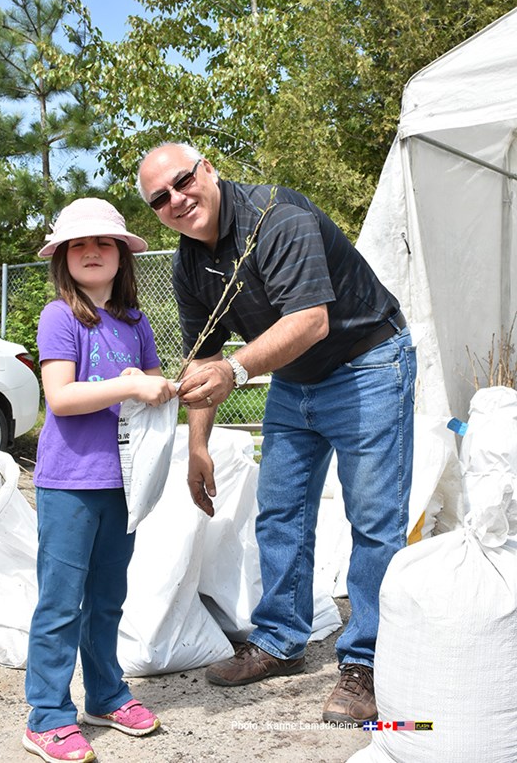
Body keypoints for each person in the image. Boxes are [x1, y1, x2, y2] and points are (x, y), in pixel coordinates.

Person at [137, 143, 416, 726]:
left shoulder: (278, 218)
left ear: (208, 169)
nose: (176, 200)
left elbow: (310, 321)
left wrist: (236, 372)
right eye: (160, 198)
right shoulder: (189, 265)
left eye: (182, 181)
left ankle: (368, 662)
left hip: (367, 363)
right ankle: (281, 640)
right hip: (296, 378)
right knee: (280, 511)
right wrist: (197, 446)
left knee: (373, 519)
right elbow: (203, 357)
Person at [23, 198, 177, 763]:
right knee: (61, 603)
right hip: (69, 483)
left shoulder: (136, 322)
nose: (92, 251)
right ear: (63, 257)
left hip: (123, 483)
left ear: (121, 255)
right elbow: (61, 397)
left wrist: (160, 386)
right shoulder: (60, 316)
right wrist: (131, 385)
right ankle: (47, 716)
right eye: (79, 244)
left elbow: (153, 385)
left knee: (108, 598)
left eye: (104, 242)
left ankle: (106, 695)